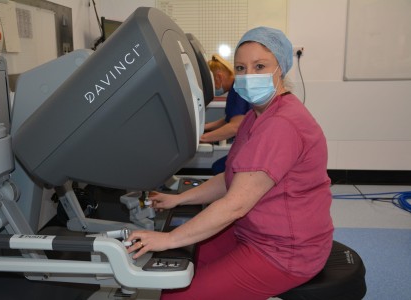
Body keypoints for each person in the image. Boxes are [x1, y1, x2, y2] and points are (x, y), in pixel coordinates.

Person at [126, 26, 334, 299]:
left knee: (176, 296)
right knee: (182, 267)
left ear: (280, 68)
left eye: (260, 66)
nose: (249, 75)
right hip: (254, 232)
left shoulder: (281, 124)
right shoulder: (256, 116)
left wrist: (169, 239)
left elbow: (235, 204)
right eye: (241, 67)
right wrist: (179, 199)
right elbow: (231, 178)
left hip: (286, 251)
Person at [201, 54, 251, 174]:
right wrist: (205, 127)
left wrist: (202, 138)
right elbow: (229, 119)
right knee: (217, 167)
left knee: (218, 168)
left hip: (253, 145)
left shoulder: (239, 88)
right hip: (248, 143)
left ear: (218, 77)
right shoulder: (235, 88)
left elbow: (235, 126)